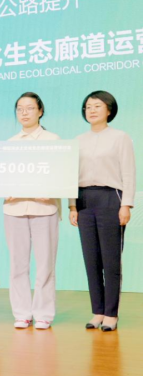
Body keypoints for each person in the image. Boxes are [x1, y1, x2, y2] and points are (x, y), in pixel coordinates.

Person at [69, 90, 136, 332]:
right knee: (91, 260)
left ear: (109, 110)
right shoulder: (77, 140)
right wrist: (72, 205)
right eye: (88, 106)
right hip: (84, 200)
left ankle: (111, 314)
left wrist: (126, 204)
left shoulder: (120, 137)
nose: (92, 110)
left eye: (97, 106)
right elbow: (71, 175)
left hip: (110, 198)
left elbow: (128, 172)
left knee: (111, 261)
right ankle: (97, 311)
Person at [3, 92, 60, 330]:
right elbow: (2, 177)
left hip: (44, 208)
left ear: (40, 111)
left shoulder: (53, 140)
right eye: (19, 109)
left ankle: (43, 313)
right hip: (14, 209)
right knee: (18, 264)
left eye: (29, 108)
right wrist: (4, 190)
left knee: (45, 264)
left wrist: (52, 191)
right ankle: (22, 313)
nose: (24, 113)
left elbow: (61, 174)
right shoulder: (9, 143)